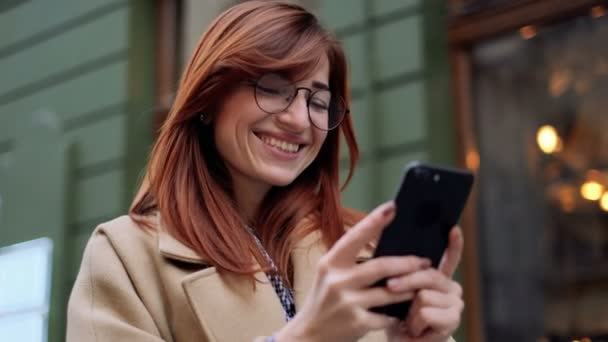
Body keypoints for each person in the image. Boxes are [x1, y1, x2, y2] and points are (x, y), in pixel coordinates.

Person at [66, 1, 464, 341]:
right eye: (273, 88)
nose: (299, 120)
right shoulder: (124, 256)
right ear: (209, 97)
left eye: (320, 102)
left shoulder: (363, 256)